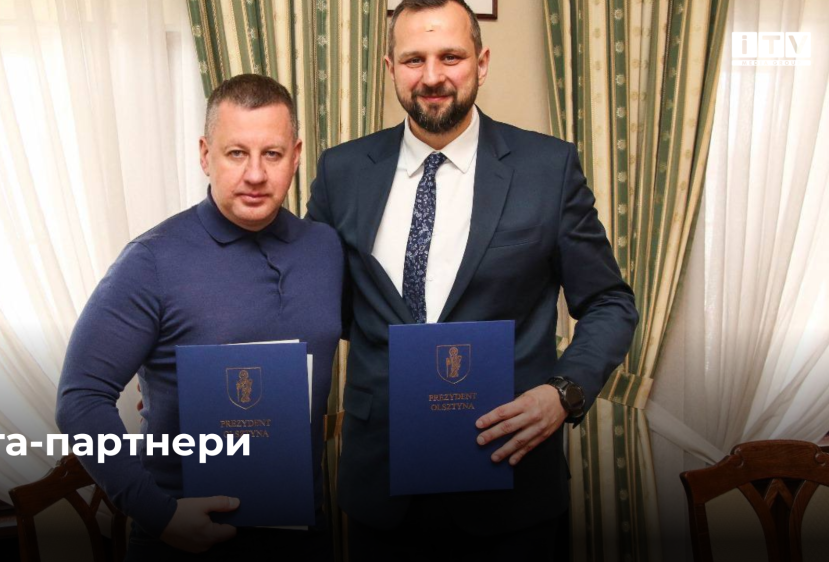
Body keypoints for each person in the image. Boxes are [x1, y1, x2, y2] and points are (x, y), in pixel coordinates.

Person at [306, 1, 638, 559]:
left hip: (511, 483)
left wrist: (564, 392)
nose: (432, 76)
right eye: (414, 59)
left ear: (481, 63)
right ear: (390, 68)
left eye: (451, 56)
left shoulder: (547, 168)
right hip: (382, 489)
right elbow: (315, 304)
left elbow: (610, 302)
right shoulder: (341, 172)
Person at [56, 74, 342, 560]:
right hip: (182, 539)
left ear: (296, 157)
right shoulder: (151, 260)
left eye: (272, 154)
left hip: (303, 536)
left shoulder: (326, 249)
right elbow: (80, 400)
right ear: (206, 155)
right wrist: (159, 514)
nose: (255, 174)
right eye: (236, 153)